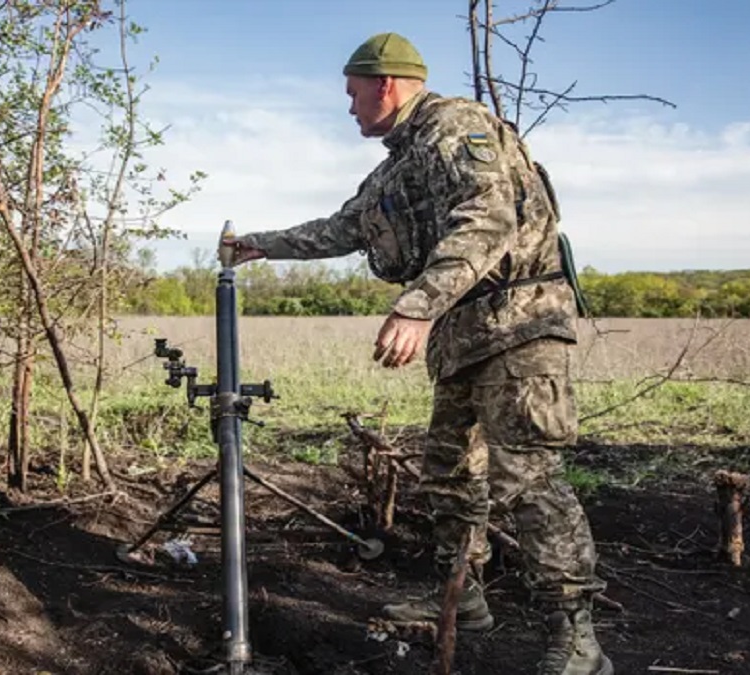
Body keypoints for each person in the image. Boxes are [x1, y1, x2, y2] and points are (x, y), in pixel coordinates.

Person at [224, 33, 611, 675]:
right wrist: (257, 245)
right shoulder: (397, 164)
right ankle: (465, 600)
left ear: (385, 85)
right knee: (451, 473)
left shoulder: (456, 128)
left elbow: (488, 218)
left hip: (518, 329)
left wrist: (417, 305)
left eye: (353, 94)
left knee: (525, 479)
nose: (349, 109)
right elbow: (345, 228)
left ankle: (576, 638)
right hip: (464, 339)